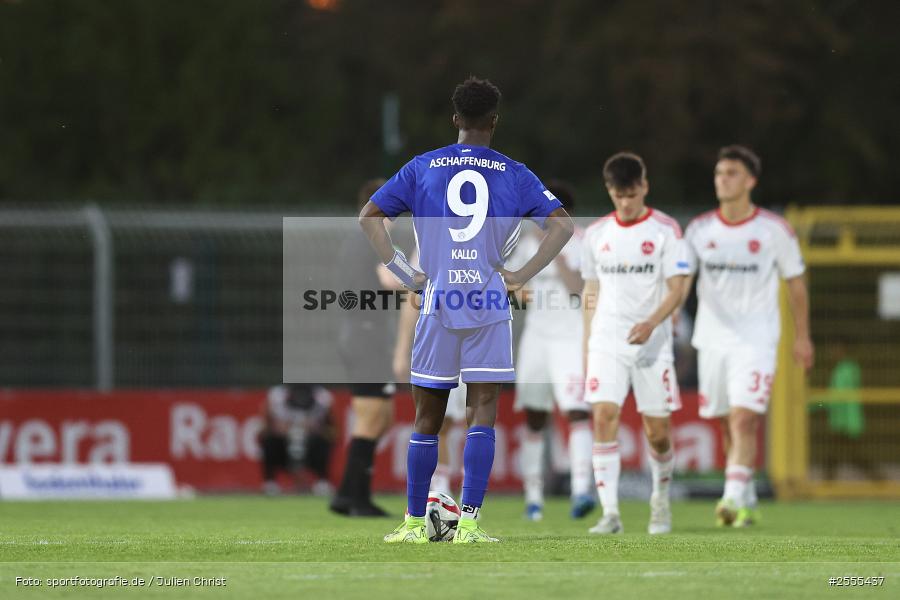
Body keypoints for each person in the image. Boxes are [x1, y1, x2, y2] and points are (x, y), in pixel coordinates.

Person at [359, 76, 574, 543]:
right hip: (489, 302)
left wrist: (404, 273)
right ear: (494, 121)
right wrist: (521, 274)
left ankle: (414, 525)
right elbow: (563, 227)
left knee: (427, 419)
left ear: (455, 118)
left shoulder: (423, 166)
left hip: (438, 300)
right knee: (482, 413)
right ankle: (470, 524)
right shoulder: (515, 173)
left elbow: (369, 218)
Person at [683, 145, 814, 527]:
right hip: (712, 339)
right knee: (726, 422)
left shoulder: (773, 230)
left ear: (750, 181)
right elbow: (682, 279)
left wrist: (803, 337)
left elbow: (796, 283)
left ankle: (729, 498)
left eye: (732, 174)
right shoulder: (699, 229)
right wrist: (671, 315)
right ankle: (747, 497)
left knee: (744, 419)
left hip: (757, 338)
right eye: (719, 173)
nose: (722, 180)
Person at [581, 152, 689, 535]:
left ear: (644, 187)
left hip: (652, 343)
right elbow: (590, 291)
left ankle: (660, 500)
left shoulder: (665, 230)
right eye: (618, 195)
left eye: (631, 194)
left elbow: (677, 288)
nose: (625, 203)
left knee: (657, 433)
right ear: (609, 191)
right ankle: (610, 514)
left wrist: (652, 323)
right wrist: (588, 344)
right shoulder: (596, 235)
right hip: (607, 340)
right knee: (603, 416)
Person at [508, 180, 594, 521]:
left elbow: (580, 289)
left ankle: (581, 490)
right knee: (534, 416)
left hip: (570, 338)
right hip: (537, 338)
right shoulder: (526, 244)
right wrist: (522, 293)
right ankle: (533, 498)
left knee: (576, 411)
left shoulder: (582, 243)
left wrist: (554, 252)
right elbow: (515, 288)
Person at [329, 178, 397, 518]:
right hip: (365, 335)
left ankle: (352, 494)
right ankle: (352, 496)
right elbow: (390, 280)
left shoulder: (357, 238)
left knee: (381, 416)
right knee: (371, 417)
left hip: (361, 335)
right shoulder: (372, 238)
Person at [258, 384, 334, 496]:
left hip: (311, 443)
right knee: (268, 439)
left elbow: (333, 429)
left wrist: (315, 428)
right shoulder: (276, 396)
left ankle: (322, 481)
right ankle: (270, 482)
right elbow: (264, 428)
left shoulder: (323, 397)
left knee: (323, 440)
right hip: (283, 443)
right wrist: (280, 428)